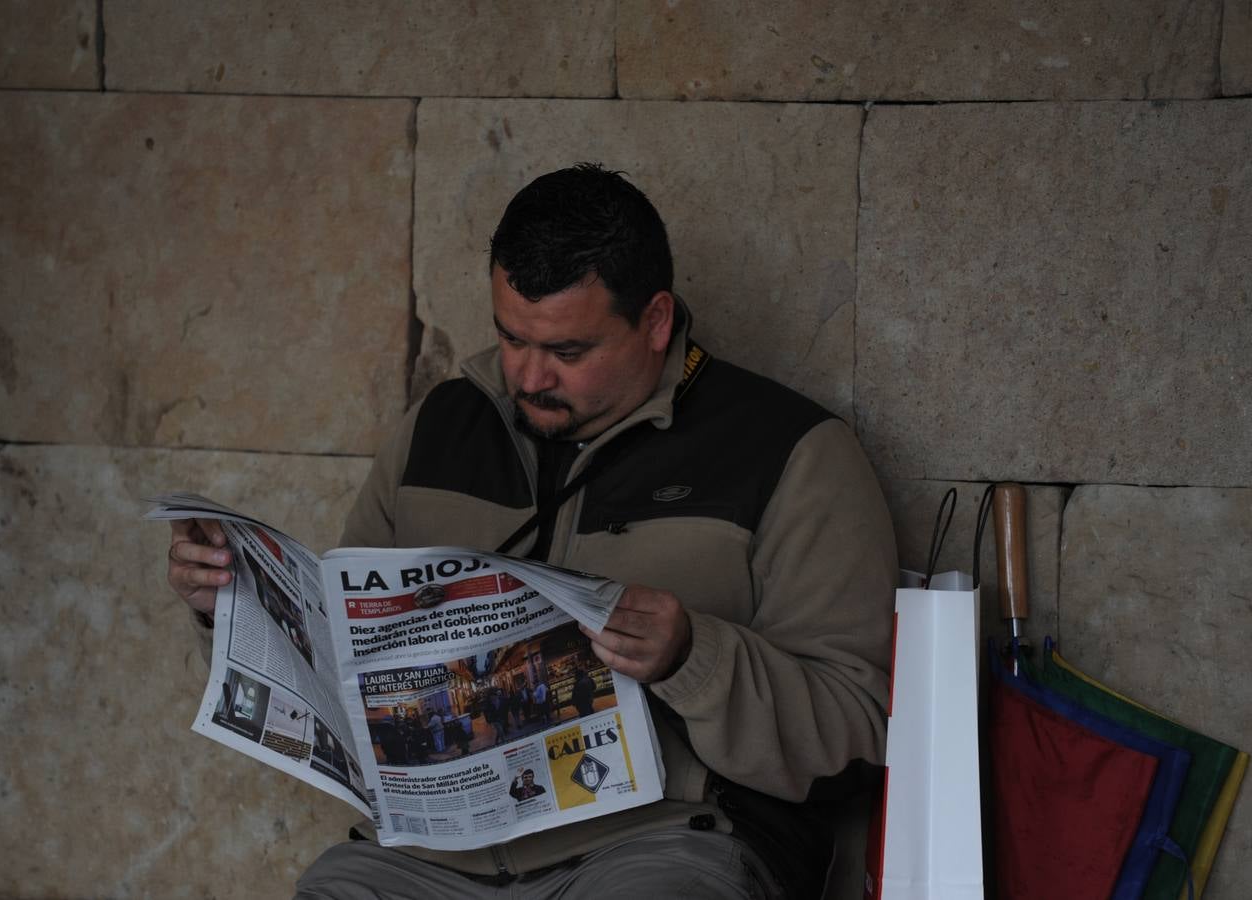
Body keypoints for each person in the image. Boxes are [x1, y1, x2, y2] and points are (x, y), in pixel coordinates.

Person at [166, 164, 897, 898]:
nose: (529, 377)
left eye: (568, 353)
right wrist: (234, 603)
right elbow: (350, 667)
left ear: (655, 322)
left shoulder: (791, 451)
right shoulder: (442, 429)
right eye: (511, 338)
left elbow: (861, 741)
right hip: (435, 858)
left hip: (662, 844)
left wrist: (691, 657)